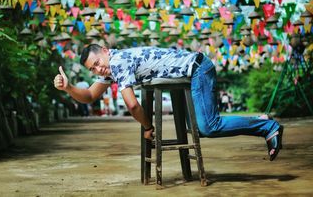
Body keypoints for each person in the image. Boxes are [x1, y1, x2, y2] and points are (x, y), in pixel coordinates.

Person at [54, 45, 283, 161]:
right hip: (194, 71)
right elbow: (90, 96)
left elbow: (132, 105)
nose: (98, 69)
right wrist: (69, 87)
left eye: (97, 63)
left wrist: (148, 128)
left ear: (105, 51)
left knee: (208, 127)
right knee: (199, 129)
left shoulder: (119, 61)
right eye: (92, 69)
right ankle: (261, 121)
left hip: (198, 69)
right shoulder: (110, 69)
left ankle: (269, 128)